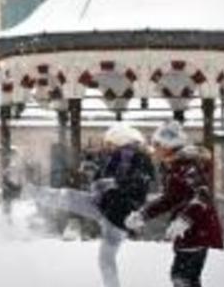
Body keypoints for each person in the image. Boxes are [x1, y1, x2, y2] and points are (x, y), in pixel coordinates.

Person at [29, 122, 155, 287]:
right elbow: (102, 181)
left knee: (106, 259)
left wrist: (112, 183)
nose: (107, 146)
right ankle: (35, 193)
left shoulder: (139, 158)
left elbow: (138, 184)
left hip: (119, 214)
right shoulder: (116, 158)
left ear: (120, 140)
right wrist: (94, 173)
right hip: (104, 205)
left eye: (110, 143)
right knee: (69, 196)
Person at [125, 120, 223, 287]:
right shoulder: (175, 166)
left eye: (157, 145)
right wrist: (143, 214)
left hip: (198, 229)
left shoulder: (187, 166)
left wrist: (184, 220)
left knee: (182, 278)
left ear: (168, 145)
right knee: (184, 278)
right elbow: (170, 199)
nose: (154, 149)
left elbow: (202, 196)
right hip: (191, 231)